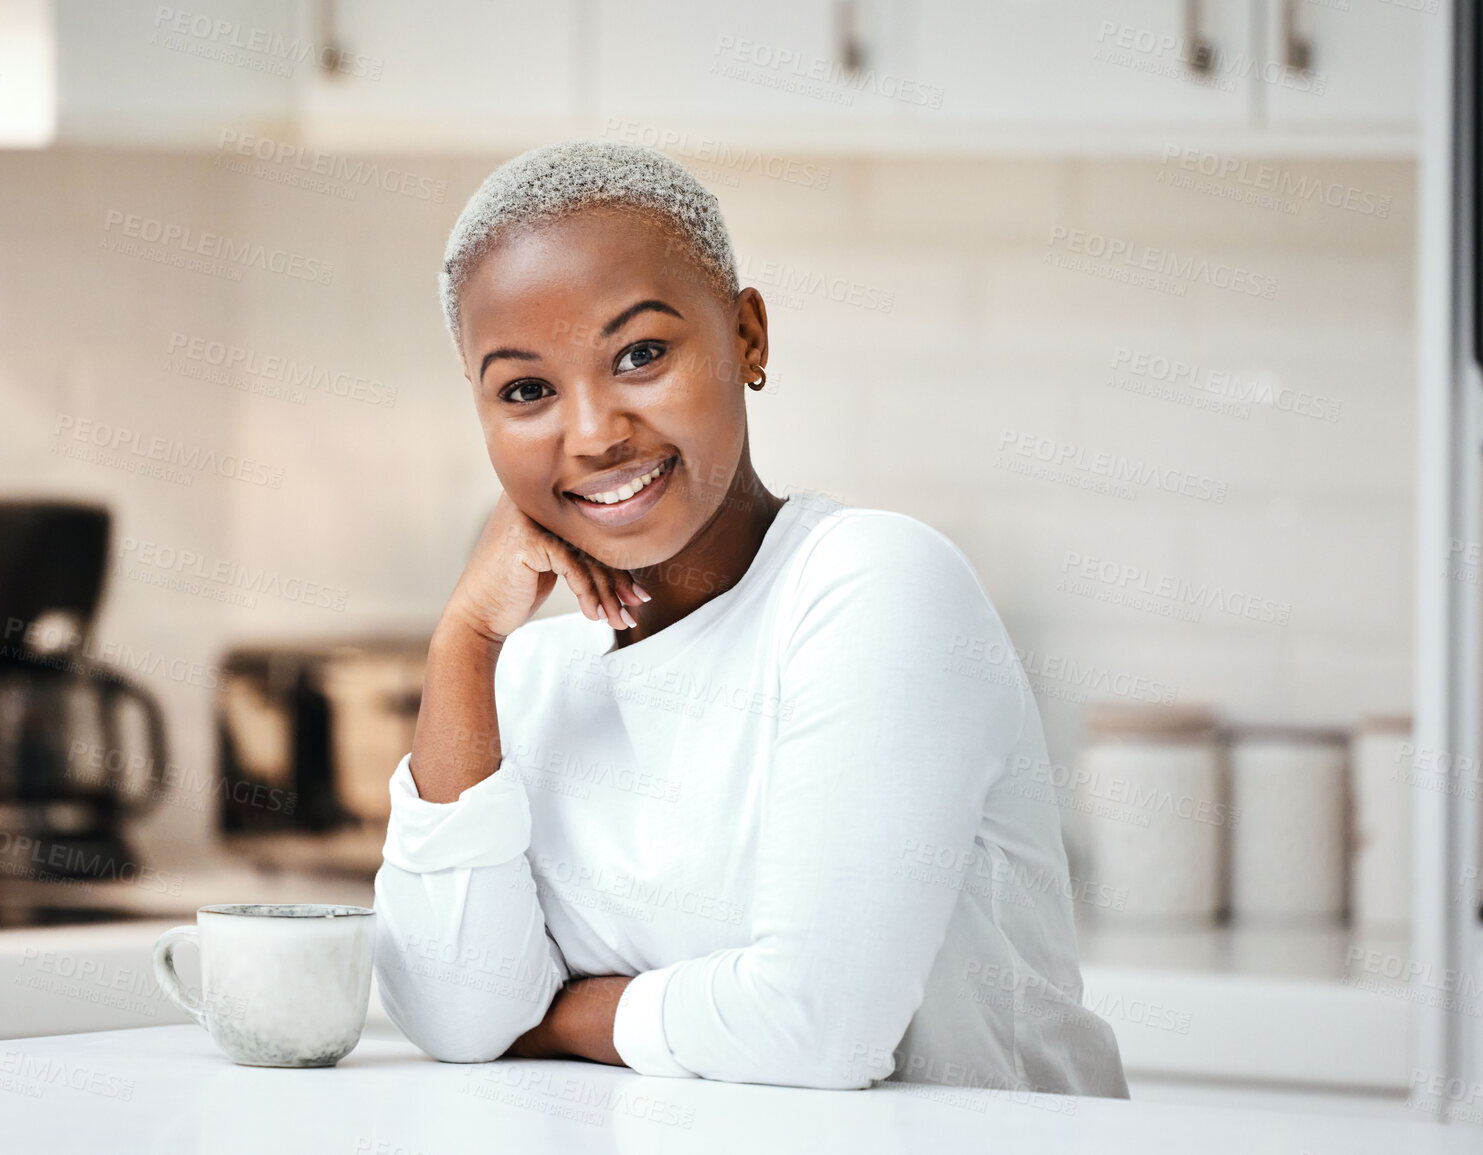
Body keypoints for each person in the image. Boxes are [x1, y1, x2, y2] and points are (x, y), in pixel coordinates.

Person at [371, 140, 1129, 1097]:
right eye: (526, 389)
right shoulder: (528, 679)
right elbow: (454, 1011)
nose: (596, 431)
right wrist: (463, 644)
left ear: (747, 338)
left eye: (640, 353)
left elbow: (816, 1027)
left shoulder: (872, 584)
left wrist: (553, 1016)